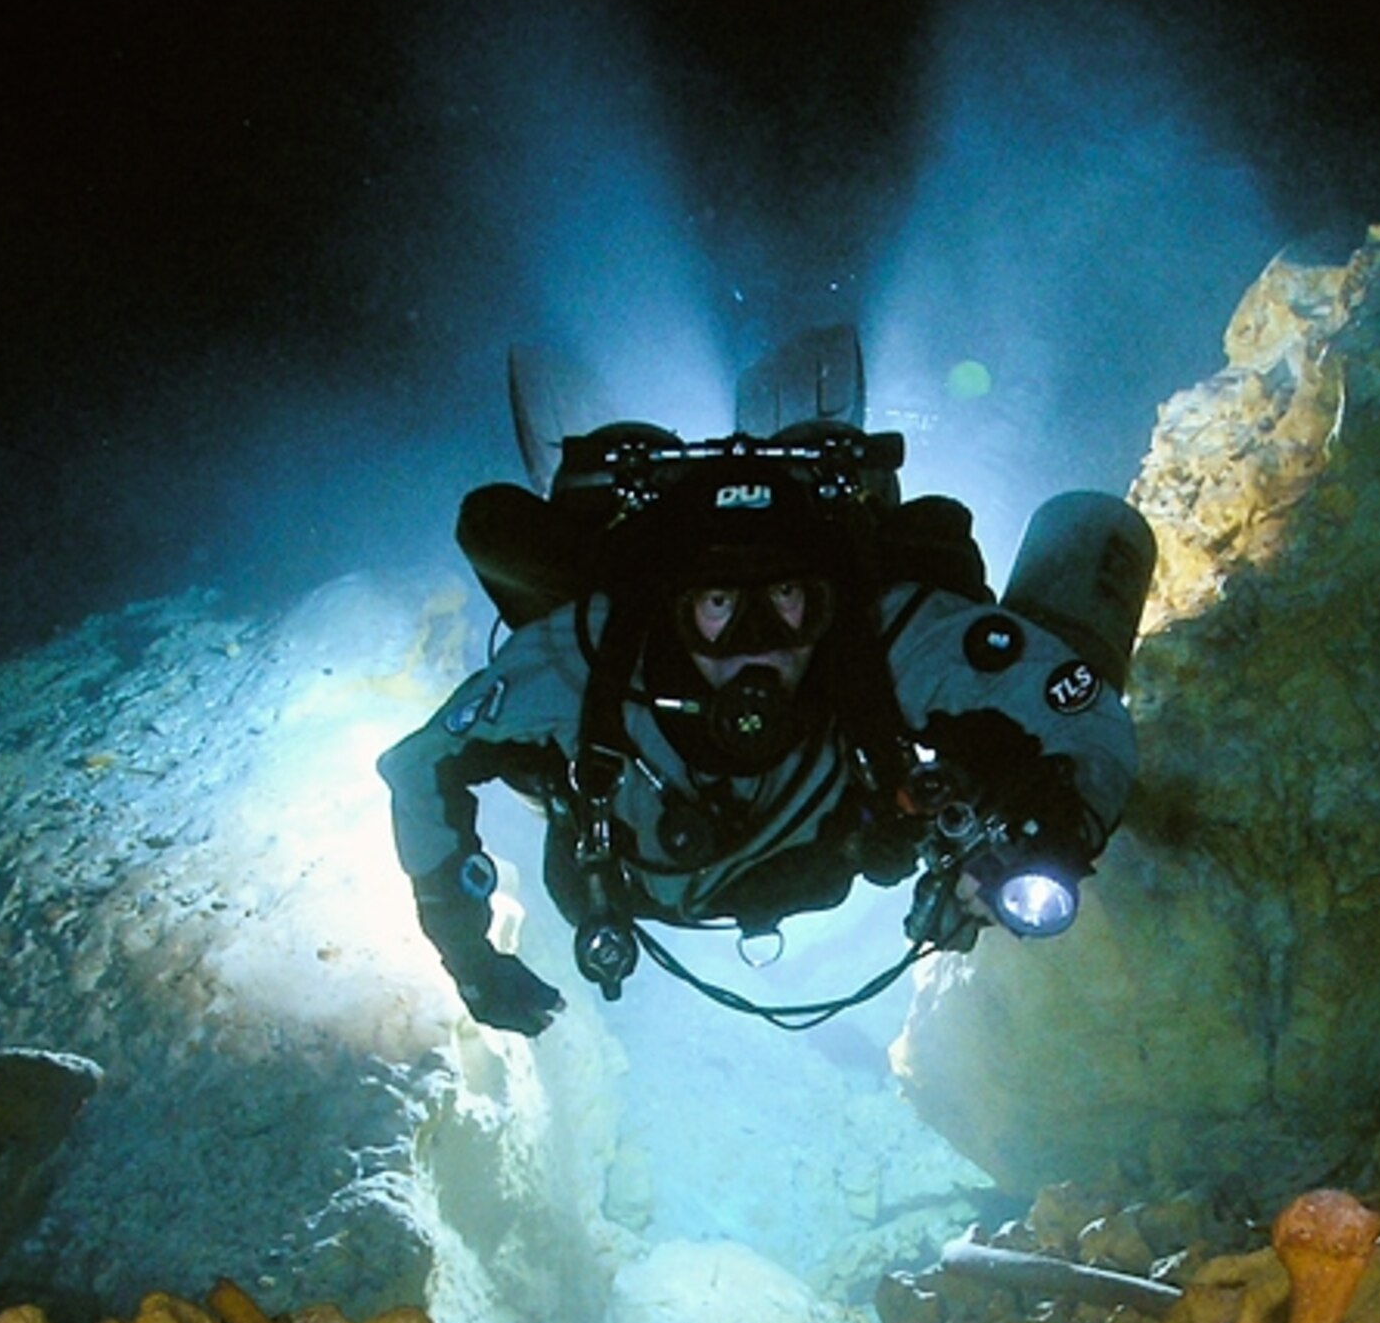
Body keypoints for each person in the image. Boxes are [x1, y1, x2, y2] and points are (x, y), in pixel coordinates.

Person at [377, 409, 1148, 1035]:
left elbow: (1074, 706)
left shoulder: (879, 639)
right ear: (671, 614)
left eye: (787, 601)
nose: (756, 645)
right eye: (718, 606)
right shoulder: (589, 654)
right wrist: (465, 952)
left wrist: (1056, 829)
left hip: (818, 855)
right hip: (630, 873)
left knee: (990, 739)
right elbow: (423, 763)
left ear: (827, 601)